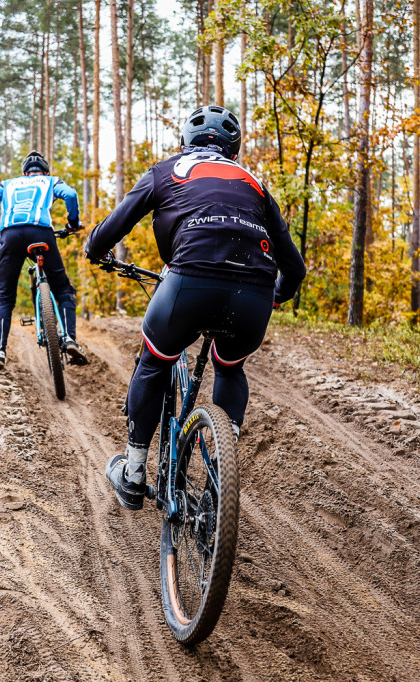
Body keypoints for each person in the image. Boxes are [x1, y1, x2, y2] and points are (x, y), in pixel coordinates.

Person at [85, 105, 307, 510]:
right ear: (234, 150)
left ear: (185, 142)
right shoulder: (255, 184)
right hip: (254, 294)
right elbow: (294, 267)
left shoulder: (166, 170)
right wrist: (275, 294)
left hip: (188, 281)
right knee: (230, 366)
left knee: (154, 362)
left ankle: (134, 474)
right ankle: (220, 477)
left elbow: (114, 227)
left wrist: (94, 249)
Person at [0, 150, 88, 373]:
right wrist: (72, 224)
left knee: (6, 298)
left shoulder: (9, 184)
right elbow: (70, 195)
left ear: (24, 173)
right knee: (63, 290)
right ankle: (69, 339)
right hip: (41, 233)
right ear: (45, 172)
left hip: (10, 236)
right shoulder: (50, 181)